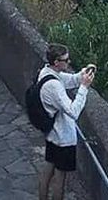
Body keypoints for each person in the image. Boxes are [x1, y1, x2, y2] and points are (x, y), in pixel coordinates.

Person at [37, 44, 94, 200]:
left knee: (48, 170)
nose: (69, 62)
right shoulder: (54, 86)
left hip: (52, 134)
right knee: (60, 178)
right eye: (66, 60)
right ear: (57, 62)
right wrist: (84, 88)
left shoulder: (46, 72)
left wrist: (82, 75)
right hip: (62, 138)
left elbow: (69, 80)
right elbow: (74, 111)